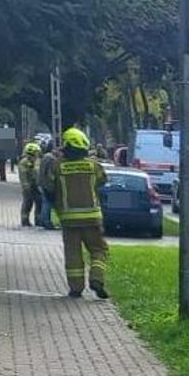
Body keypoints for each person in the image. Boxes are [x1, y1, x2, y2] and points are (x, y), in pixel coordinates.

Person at [54, 127, 109, 299]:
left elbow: (48, 186)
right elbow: (102, 182)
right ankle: (96, 278)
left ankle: (76, 289)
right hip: (92, 218)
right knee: (98, 250)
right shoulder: (94, 166)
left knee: (73, 254)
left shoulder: (58, 167)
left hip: (69, 219)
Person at [19, 142, 42, 226]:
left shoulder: (36, 161)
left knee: (39, 202)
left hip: (36, 185)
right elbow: (23, 176)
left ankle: (38, 220)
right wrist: (26, 186)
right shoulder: (24, 162)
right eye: (37, 153)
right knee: (27, 203)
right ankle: (24, 220)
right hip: (28, 186)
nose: (38, 155)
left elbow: (38, 173)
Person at [38, 140, 60, 230]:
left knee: (45, 202)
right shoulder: (52, 159)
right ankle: (46, 222)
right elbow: (51, 174)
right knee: (48, 203)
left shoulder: (45, 157)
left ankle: (44, 221)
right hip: (49, 185)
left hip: (43, 183)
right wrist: (54, 183)